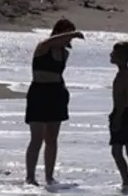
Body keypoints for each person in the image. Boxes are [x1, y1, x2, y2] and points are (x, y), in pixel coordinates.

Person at [25, 19, 84, 186]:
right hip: (38, 92)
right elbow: (48, 41)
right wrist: (72, 33)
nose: (68, 40)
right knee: (37, 137)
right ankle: (30, 177)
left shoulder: (64, 53)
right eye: (66, 35)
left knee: (52, 138)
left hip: (56, 93)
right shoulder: (43, 47)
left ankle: (49, 177)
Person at [108, 41, 128, 191]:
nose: (111, 54)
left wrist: (118, 116)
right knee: (118, 151)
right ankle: (127, 181)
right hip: (121, 112)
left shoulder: (126, 75)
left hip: (125, 114)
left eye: (114, 52)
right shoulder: (122, 73)